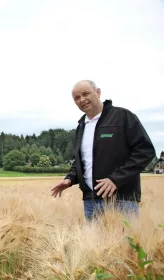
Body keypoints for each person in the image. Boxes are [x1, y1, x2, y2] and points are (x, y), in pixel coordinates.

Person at [51, 80, 155, 221]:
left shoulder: (122, 117)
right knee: (94, 243)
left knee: (125, 242)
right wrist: (70, 179)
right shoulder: (81, 126)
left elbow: (145, 151)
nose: (82, 100)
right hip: (90, 201)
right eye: (77, 98)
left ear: (98, 92)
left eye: (86, 94)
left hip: (121, 199)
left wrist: (115, 179)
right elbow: (82, 161)